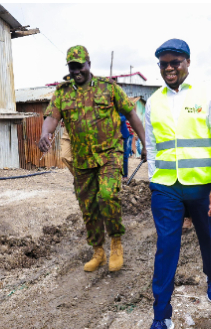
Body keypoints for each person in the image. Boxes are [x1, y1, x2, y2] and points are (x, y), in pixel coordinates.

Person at [141, 38, 211, 329]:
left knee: (208, 238)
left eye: (174, 62)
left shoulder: (208, 96)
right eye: (163, 63)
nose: (169, 68)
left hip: (203, 186)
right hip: (166, 187)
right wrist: (155, 180)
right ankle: (161, 317)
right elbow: (151, 147)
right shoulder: (153, 102)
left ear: (187, 63)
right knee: (166, 247)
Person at [39, 46, 146, 274]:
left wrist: (146, 143)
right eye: (72, 66)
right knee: (88, 206)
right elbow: (52, 118)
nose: (77, 70)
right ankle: (98, 250)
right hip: (82, 159)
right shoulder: (63, 93)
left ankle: (116, 243)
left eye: (80, 65)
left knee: (107, 195)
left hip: (109, 154)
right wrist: (44, 133)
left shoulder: (108, 89)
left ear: (88, 63)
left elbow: (131, 114)